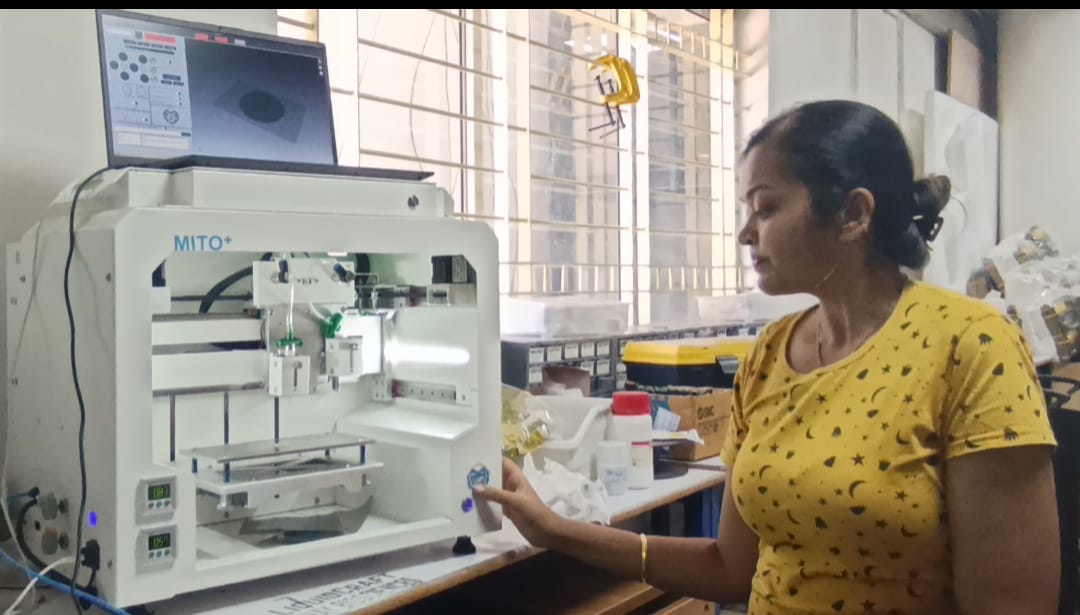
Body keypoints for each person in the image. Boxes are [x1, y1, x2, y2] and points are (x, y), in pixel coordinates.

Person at [475, 99, 1061, 614]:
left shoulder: (971, 345)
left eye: (767, 207)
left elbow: (1012, 605)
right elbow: (731, 568)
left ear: (855, 213)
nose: (745, 233)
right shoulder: (770, 355)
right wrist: (555, 530)